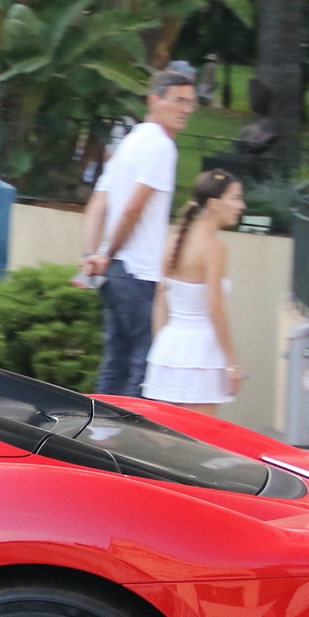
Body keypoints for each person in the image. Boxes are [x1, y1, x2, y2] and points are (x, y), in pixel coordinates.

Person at [78, 72, 194, 395]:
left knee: (115, 362)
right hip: (139, 273)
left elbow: (98, 204)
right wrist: (105, 253)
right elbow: (133, 208)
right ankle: (128, 445)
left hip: (114, 273)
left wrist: (93, 256)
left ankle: (97, 439)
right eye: (179, 100)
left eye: (191, 102)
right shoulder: (161, 146)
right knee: (143, 367)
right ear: (154, 101)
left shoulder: (129, 142)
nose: (187, 109)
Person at [142, 170, 246, 413]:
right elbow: (215, 308)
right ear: (213, 204)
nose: (241, 205)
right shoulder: (214, 248)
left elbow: (161, 300)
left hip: (168, 349)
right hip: (201, 354)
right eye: (235, 198)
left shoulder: (172, 241)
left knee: (165, 440)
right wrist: (232, 362)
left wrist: (162, 350)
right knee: (199, 440)